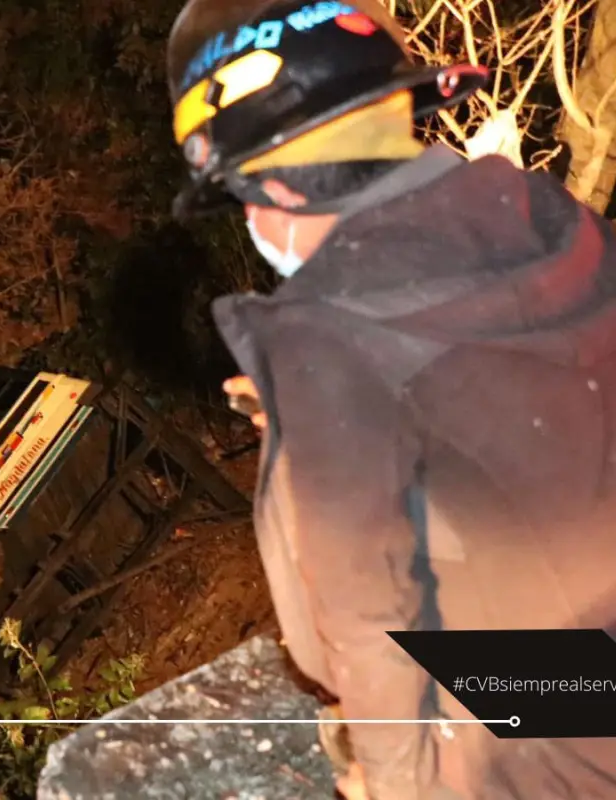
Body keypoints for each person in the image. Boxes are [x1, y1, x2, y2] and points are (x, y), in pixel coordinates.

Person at [165, 0, 616, 798]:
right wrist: (333, 414)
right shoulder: (537, 210)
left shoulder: (325, 335)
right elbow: (516, 392)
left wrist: (400, 785)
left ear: (269, 183)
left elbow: (367, 622)